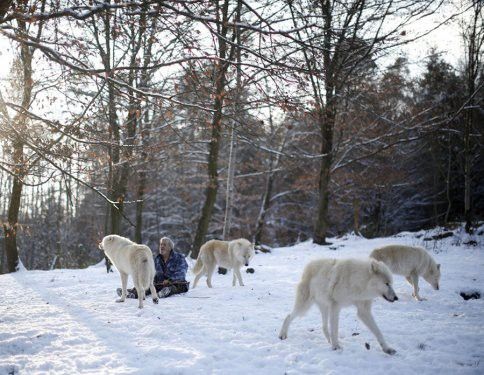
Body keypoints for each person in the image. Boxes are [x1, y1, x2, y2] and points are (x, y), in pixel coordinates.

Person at [117, 237, 189, 299]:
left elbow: (181, 273)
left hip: (176, 283)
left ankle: (165, 292)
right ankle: (132, 293)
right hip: (160, 284)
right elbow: (151, 273)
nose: (161, 246)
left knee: (173, 288)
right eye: (161, 244)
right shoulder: (157, 259)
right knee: (147, 285)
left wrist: (169, 280)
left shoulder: (179, 258)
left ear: (170, 247)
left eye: (164, 245)